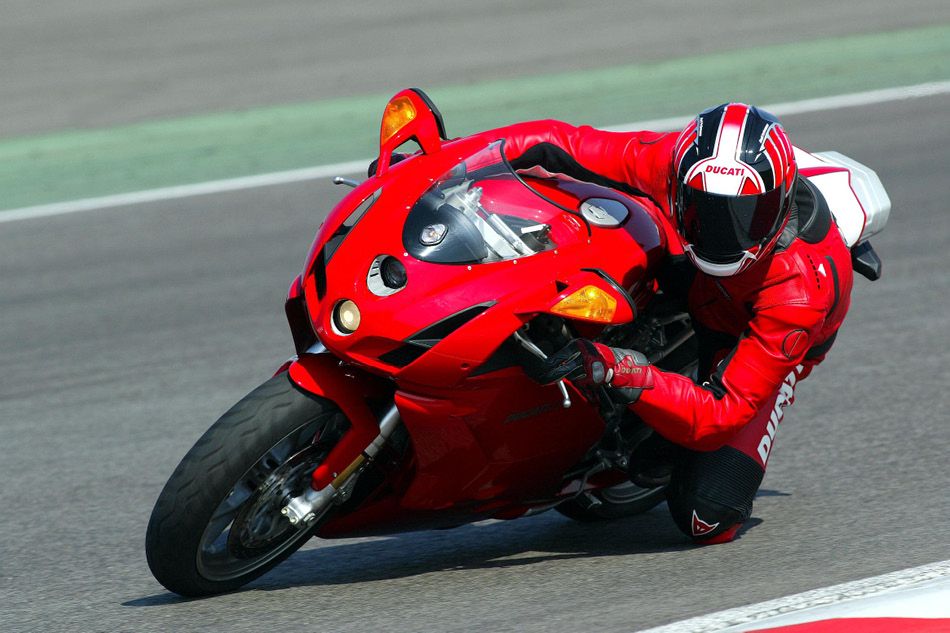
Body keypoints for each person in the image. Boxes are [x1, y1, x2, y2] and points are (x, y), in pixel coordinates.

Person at [499, 103, 854, 544]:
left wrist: (620, 368)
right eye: (706, 208)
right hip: (689, 267)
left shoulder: (798, 296)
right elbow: (555, 142)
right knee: (576, 206)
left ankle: (661, 417)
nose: (724, 232)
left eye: (747, 216)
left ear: (779, 206)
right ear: (684, 185)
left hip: (742, 332)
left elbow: (720, 416)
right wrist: (450, 158)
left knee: (707, 518)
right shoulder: (671, 164)